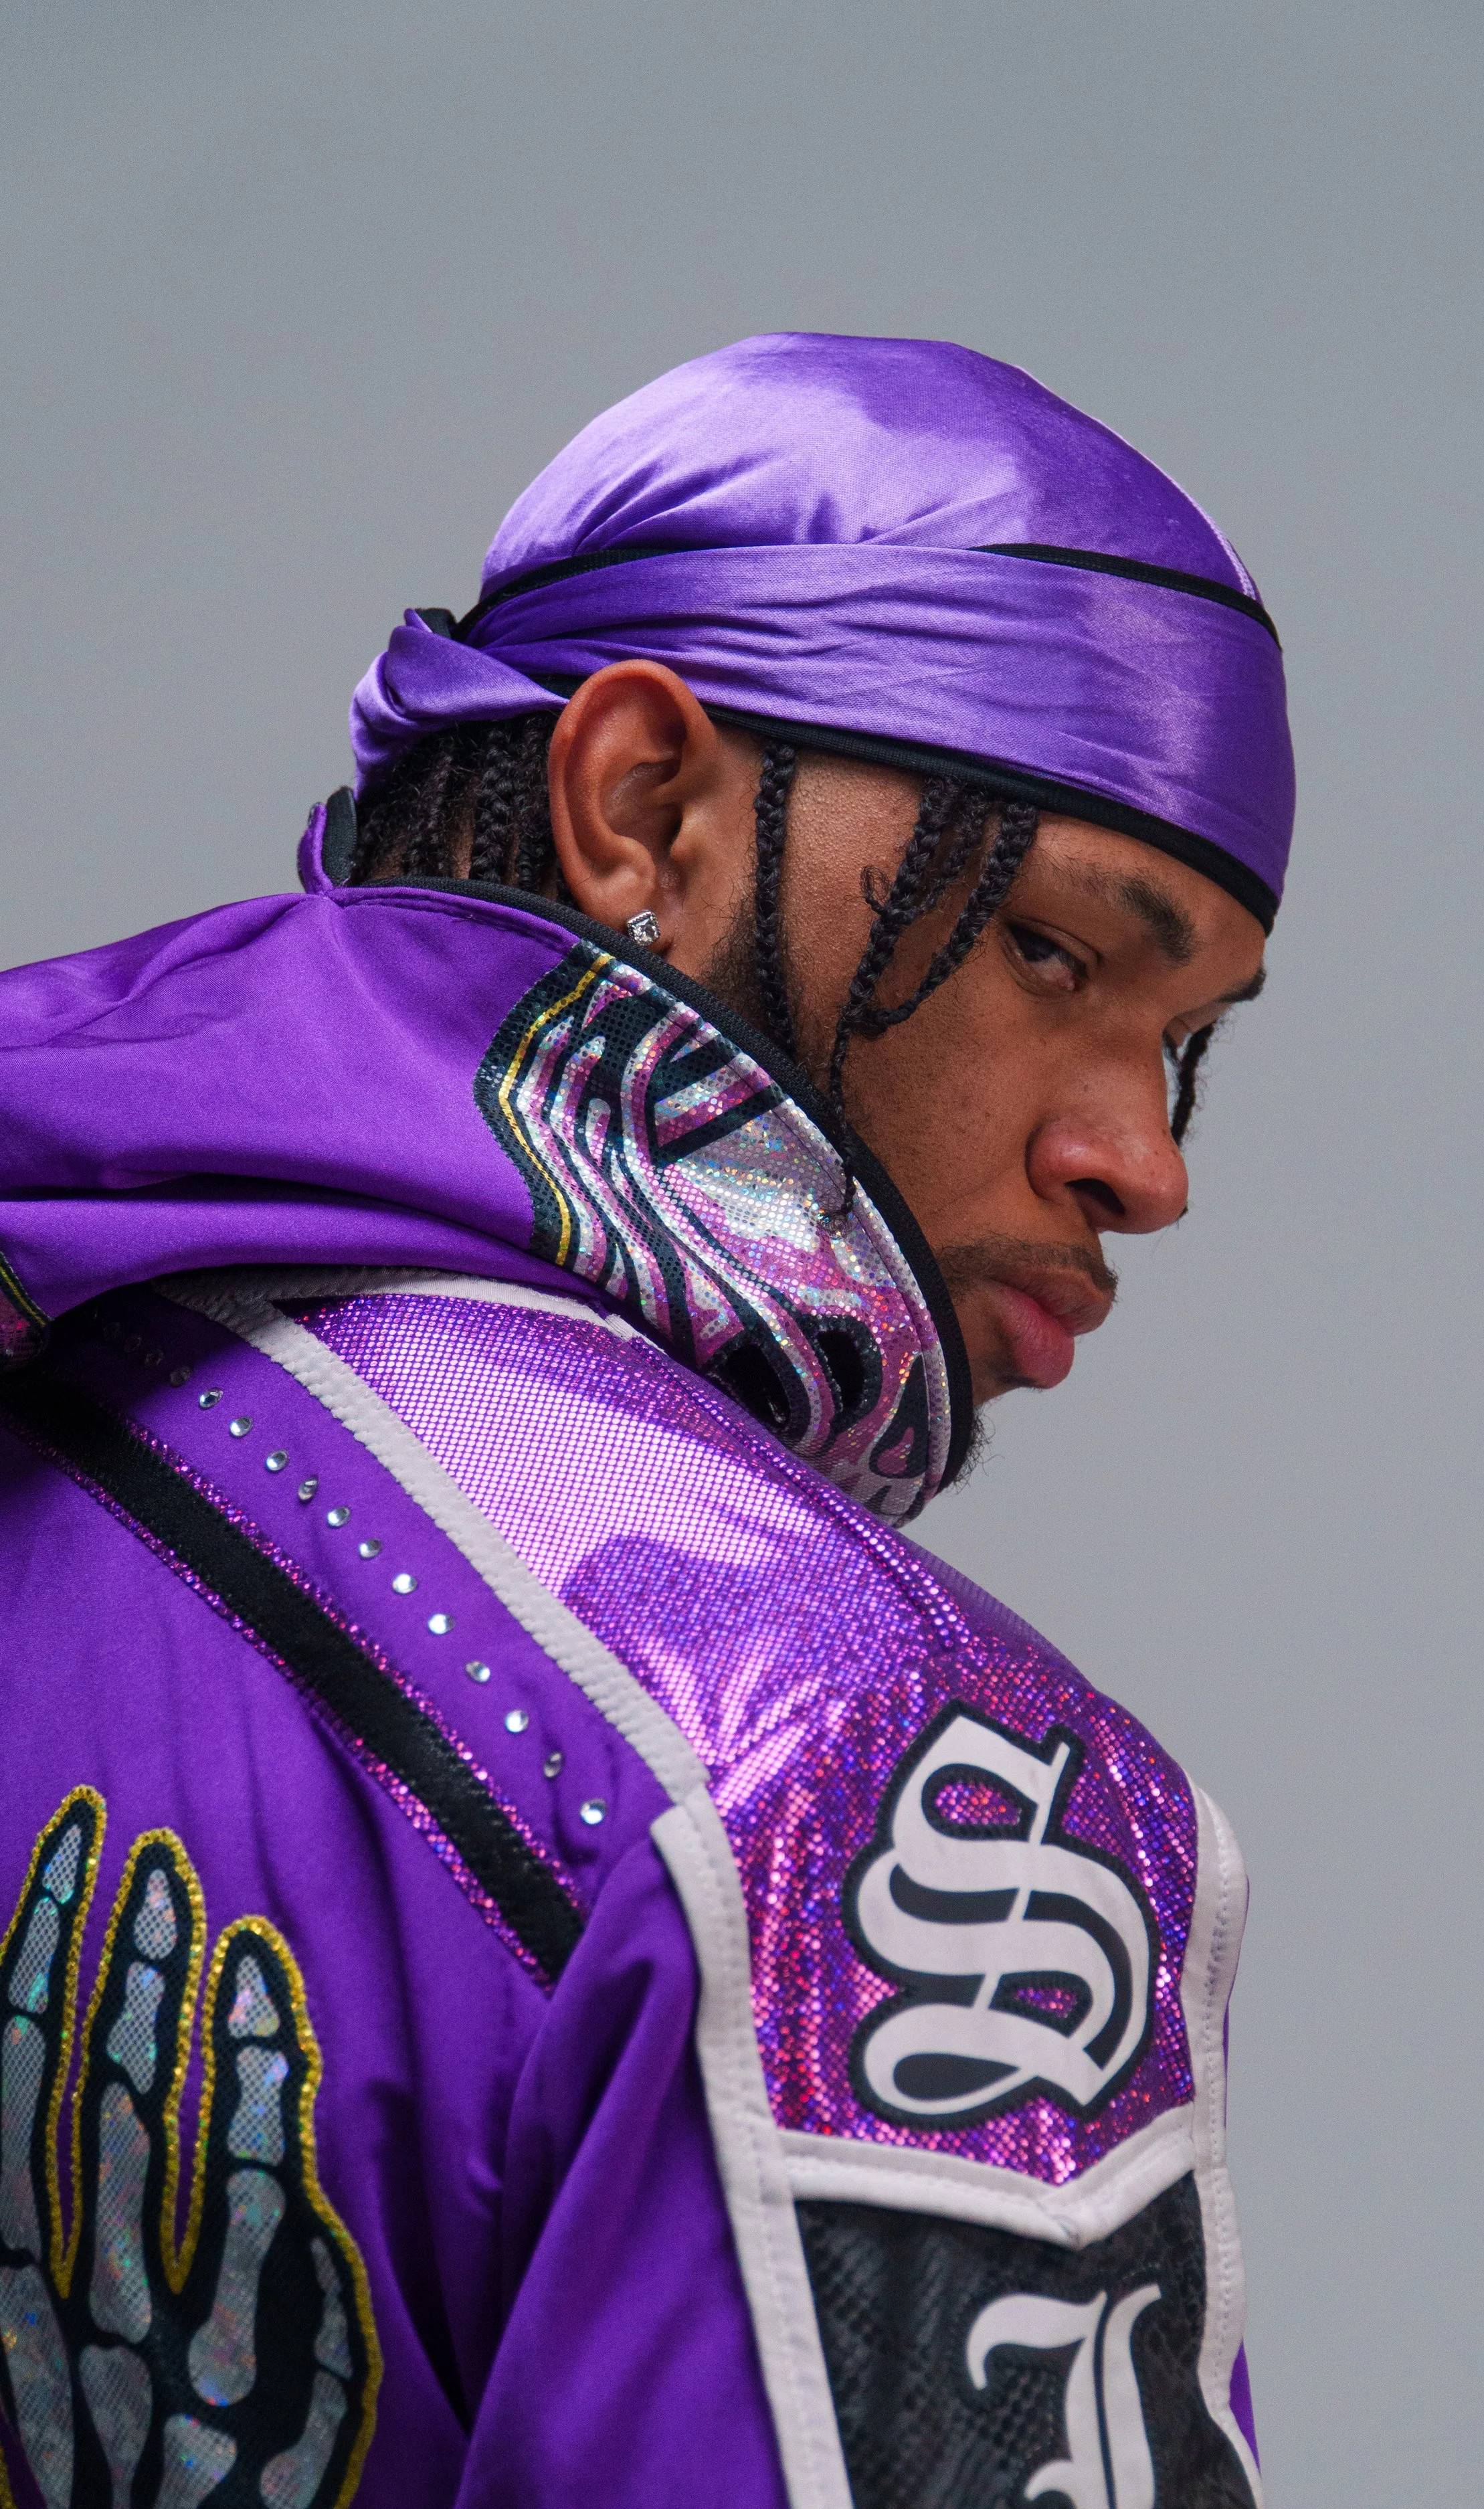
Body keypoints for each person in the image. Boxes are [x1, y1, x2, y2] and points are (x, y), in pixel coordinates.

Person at [0, 333, 1293, 2509]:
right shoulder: (847, 1751)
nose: (1143, 1162)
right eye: (1064, 953)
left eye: (1189, 1046)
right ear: (643, 811)